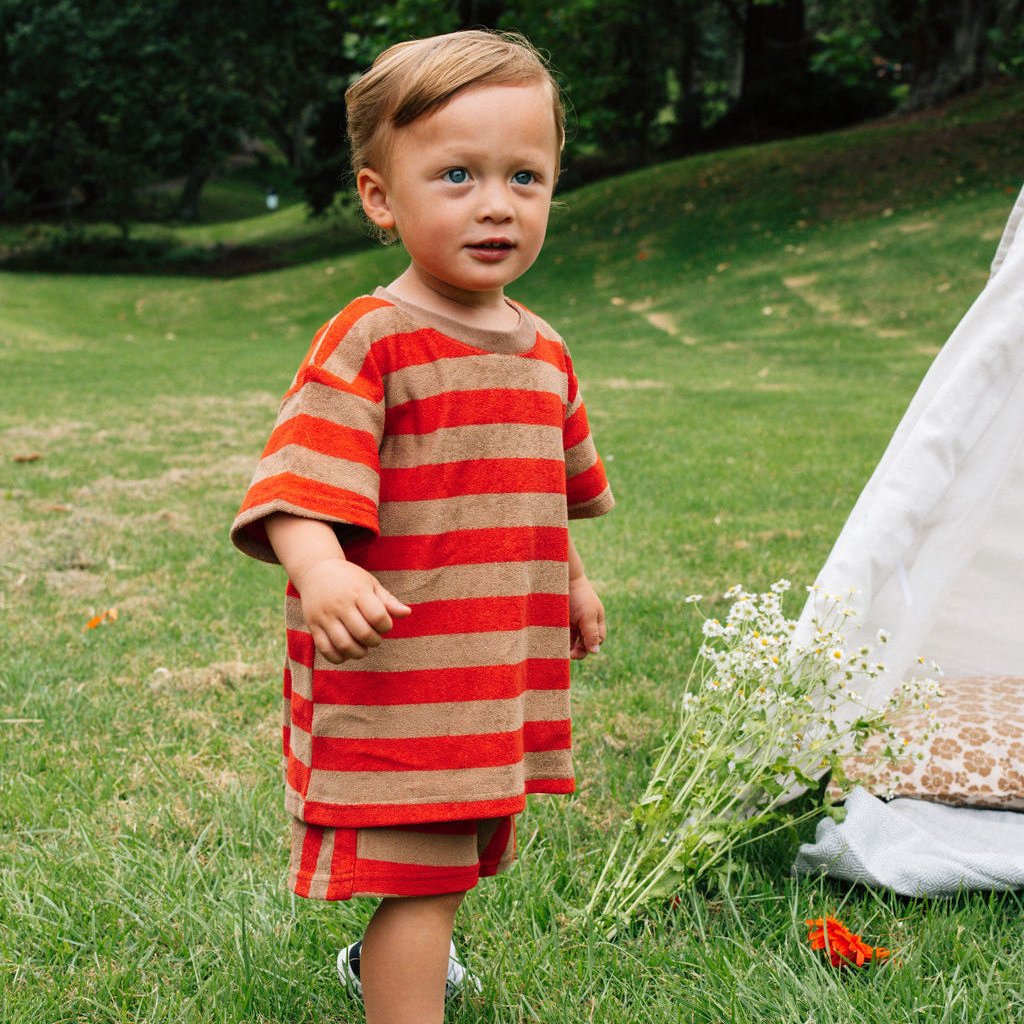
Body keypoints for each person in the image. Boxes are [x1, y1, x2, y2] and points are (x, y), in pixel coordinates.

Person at [230, 28, 613, 1024]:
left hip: (484, 669)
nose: (495, 203)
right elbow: (298, 485)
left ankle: (392, 960)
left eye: (524, 177)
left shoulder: (544, 353)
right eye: (455, 174)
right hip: (400, 668)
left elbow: (533, 495)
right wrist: (320, 571)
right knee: (426, 872)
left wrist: (568, 579)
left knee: (455, 849)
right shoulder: (375, 338)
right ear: (379, 196)